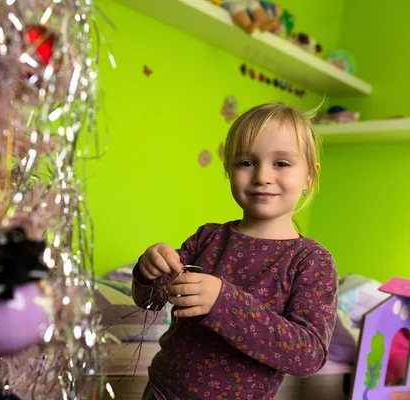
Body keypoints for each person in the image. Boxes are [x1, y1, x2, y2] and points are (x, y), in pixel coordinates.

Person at [132, 103, 338, 400]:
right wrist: (148, 270)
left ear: (310, 176)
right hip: (161, 391)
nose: (262, 176)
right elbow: (150, 300)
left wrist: (223, 302)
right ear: (229, 170)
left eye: (281, 163)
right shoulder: (208, 237)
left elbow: (308, 354)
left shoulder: (310, 261)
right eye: (246, 163)